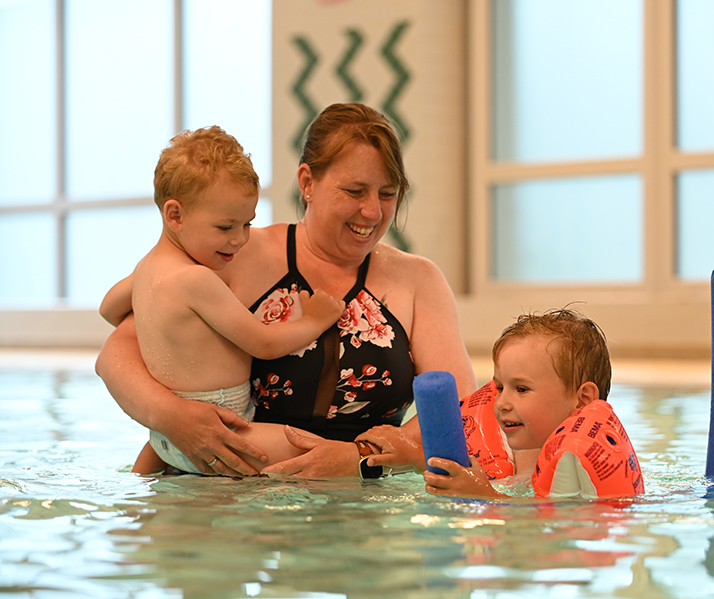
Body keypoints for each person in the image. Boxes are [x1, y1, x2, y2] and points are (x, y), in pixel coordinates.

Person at [95, 103, 477, 478]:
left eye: (388, 193)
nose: (373, 212)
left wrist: (360, 459)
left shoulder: (418, 280)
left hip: (368, 495)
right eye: (355, 191)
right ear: (307, 183)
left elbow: (458, 410)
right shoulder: (235, 254)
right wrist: (170, 417)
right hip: (237, 487)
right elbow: (118, 352)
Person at [100, 125, 345, 474]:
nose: (240, 239)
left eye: (247, 224)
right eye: (226, 227)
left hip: (163, 435)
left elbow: (108, 309)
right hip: (219, 424)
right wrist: (315, 319)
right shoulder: (197, 279)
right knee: (315, 454)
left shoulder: (146, 269)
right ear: (175, 215)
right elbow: (263, 343)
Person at [419, 308, 613, 499]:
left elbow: (547, 521)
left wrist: (485, 495)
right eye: (500, 388)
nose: (502, 402)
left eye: (521, 389)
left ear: (583, 399)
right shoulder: (531, 451)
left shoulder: (585, 463)